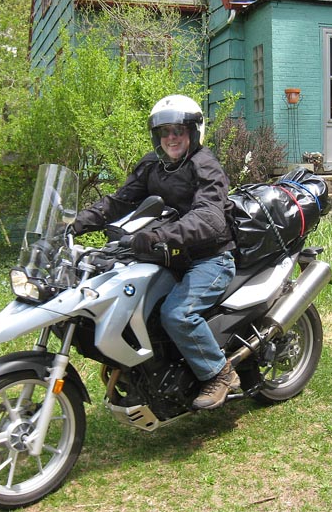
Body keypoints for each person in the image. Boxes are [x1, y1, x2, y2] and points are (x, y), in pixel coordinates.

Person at [72, 94, 239, 410]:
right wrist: (76, 223)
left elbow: (209, 218)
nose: (171, 138)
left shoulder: (205, 166)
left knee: (177, 314)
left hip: (210, 257)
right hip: (167, 257)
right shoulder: (152, 165)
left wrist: (158, 235)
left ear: (193, 131)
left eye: (178, 131)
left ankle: (220, 373)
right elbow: (119, 202)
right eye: (165, 132)